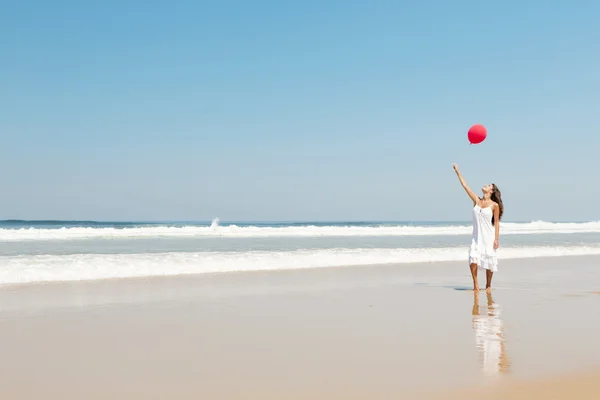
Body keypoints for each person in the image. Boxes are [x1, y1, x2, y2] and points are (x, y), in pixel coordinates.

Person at [453, 164, 504, 292]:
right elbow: (465, 186)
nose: (485, 186)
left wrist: (496, 239)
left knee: (489, 259)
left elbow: (496, 222)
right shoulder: (476, 200)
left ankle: (488, 285)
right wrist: (457, 171)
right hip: (476, 236)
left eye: (488, 186)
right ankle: (476, 284)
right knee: (473, 258)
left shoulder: (494, 205)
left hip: (489, 236)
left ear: (491, 191)